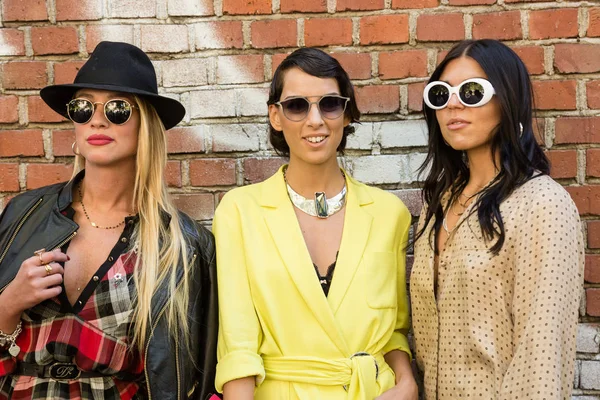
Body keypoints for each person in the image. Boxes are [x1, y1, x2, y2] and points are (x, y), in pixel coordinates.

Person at [0, 41, 218, 400]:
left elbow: (189, 376)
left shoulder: (184, 246)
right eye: (83, 107)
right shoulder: (24, 215)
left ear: (146, 124)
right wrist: (8, 304)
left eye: (117, 108)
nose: (97, 119)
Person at [212, 47, 417, 400]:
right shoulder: (240, 211)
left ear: (347, 113)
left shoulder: (389, 213)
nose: (315, 120)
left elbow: (395, 330)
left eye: (330, 104)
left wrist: (407, 382)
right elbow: (238, 345)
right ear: (275, 116)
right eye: (296, 106)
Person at [410, 39, 584, 399]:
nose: (453, 103)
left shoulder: (542, 205)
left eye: (472, 92)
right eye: (441, 94)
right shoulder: (437, 204)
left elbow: (541, 358)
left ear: (507, 100)